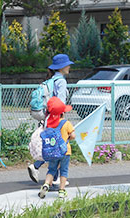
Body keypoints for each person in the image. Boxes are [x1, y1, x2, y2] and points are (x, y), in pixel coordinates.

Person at [28, 53, 74, 185]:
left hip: (48, 117)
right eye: (68, 64)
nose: (69, 67)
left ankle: (44, 171)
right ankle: (55, 177)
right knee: (59, 146)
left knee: (51, 144)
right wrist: (63, 118)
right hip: (57, 118)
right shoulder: (61, 81)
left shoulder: (51, 80)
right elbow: (61, 102)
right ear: (62, 67)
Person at [38, 97, 75, 200]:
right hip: (65, 151)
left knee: (51, 169)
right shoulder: (66, 123)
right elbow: (73, 135)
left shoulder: (49, 123)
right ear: (62, 113)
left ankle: (46, 184)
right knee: (64, 171)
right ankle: (62, 191)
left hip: (53, 152)